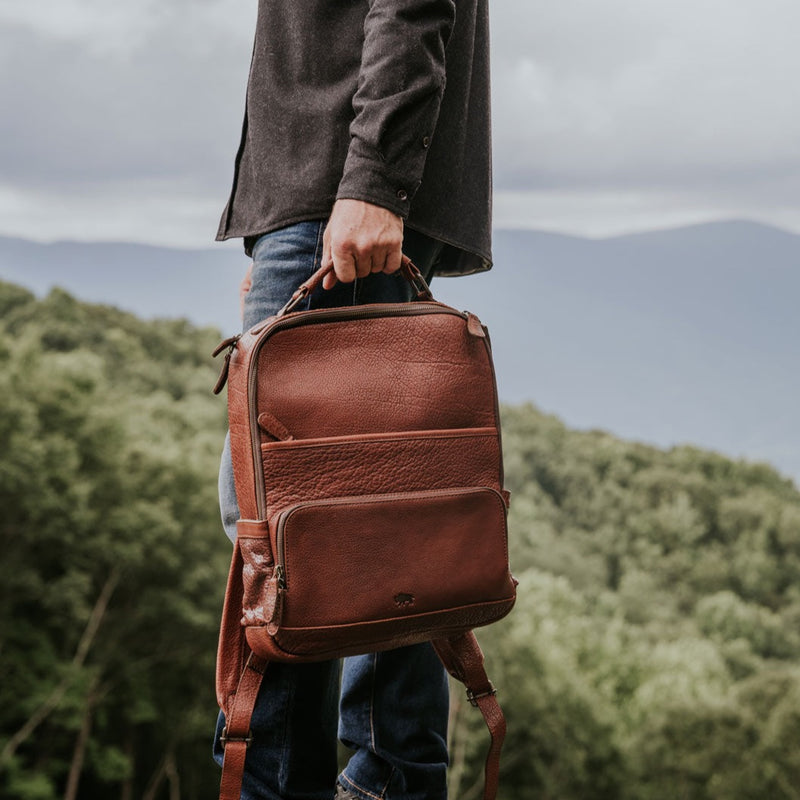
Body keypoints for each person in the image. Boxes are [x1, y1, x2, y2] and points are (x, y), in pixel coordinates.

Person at [213, 2, 493, 798]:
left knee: (284, 532)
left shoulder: (358, 188)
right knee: (378, 510)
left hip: (341, 182)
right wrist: (274, 233)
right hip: (317, 197)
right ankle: (392, 778)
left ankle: (295, 784)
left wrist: (369, 184)